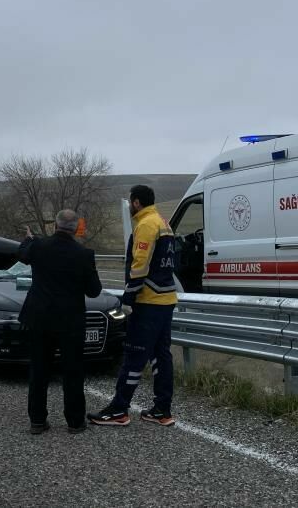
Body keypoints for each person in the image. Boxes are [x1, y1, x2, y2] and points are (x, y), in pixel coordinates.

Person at [88, 185, 178, 427]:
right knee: (161, 356)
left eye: (130, 201)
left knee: (134, 355)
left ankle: (119, 410)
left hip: (148, 301)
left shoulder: (147, 224)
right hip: (166, 299)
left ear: (136, 202)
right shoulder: (162, 222)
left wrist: (128, 299)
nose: (129, 205)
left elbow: (140, 264)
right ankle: (162, 409)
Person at [19, 210, 102, 435]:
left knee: (39, 369)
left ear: (55, 225)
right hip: (70, 321)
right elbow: (94, 291)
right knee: (73, 371)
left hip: (39, 318)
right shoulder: (84, 254)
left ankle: (37, 420)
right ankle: (75, 422)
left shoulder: (38, 246)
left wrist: (28, 238)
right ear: (76, 228)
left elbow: (22, 255)